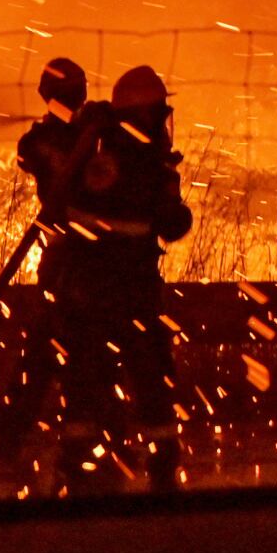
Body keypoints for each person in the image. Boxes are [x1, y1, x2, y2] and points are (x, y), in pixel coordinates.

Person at [47, 64, 193, 493]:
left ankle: (80, 458)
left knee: (86, 368)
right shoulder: (138, 159)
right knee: (148, 369)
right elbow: (168, 223)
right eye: (158, 111)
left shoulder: (99, 148)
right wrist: (175, 207)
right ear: (144, 112)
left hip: (88, 287)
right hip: (126, 286)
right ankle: (161, 459)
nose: (162, 120)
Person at [0, 56, 89, 476]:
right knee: (65, 352)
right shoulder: (77, 136)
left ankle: (13, 442)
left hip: (66, 262)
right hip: (76, 263)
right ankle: (71, 443)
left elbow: (30, 156)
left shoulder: (58, 138)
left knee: (50, 351)